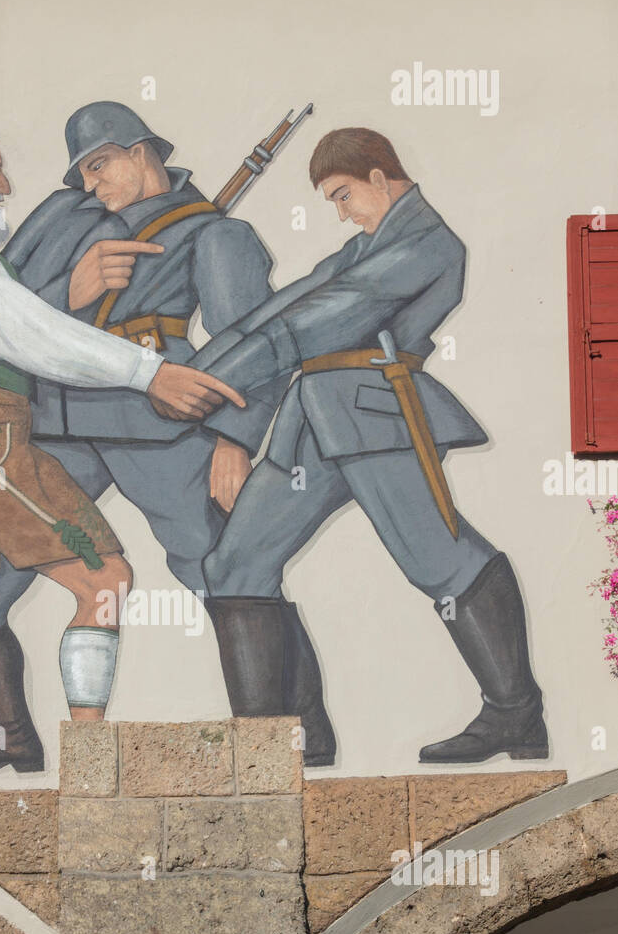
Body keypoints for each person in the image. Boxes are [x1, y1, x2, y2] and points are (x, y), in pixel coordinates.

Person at [0, 127, 242, 780]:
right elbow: (34, 336)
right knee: (106, 581)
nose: (6, 186)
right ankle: (88, 752)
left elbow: (17, 323)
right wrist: (149, 372)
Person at [191, 127, 547, 765]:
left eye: (344, 194)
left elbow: (326, 316)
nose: (342, 210)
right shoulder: (366, 245)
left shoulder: (430, 242)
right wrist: (195, 376)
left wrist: (216, 382)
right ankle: (281, 741)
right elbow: (282, 309)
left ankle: (515, 714)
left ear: (381, 177)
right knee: (233, 566)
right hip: (315, 420)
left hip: (375, 413)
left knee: (441, 562)